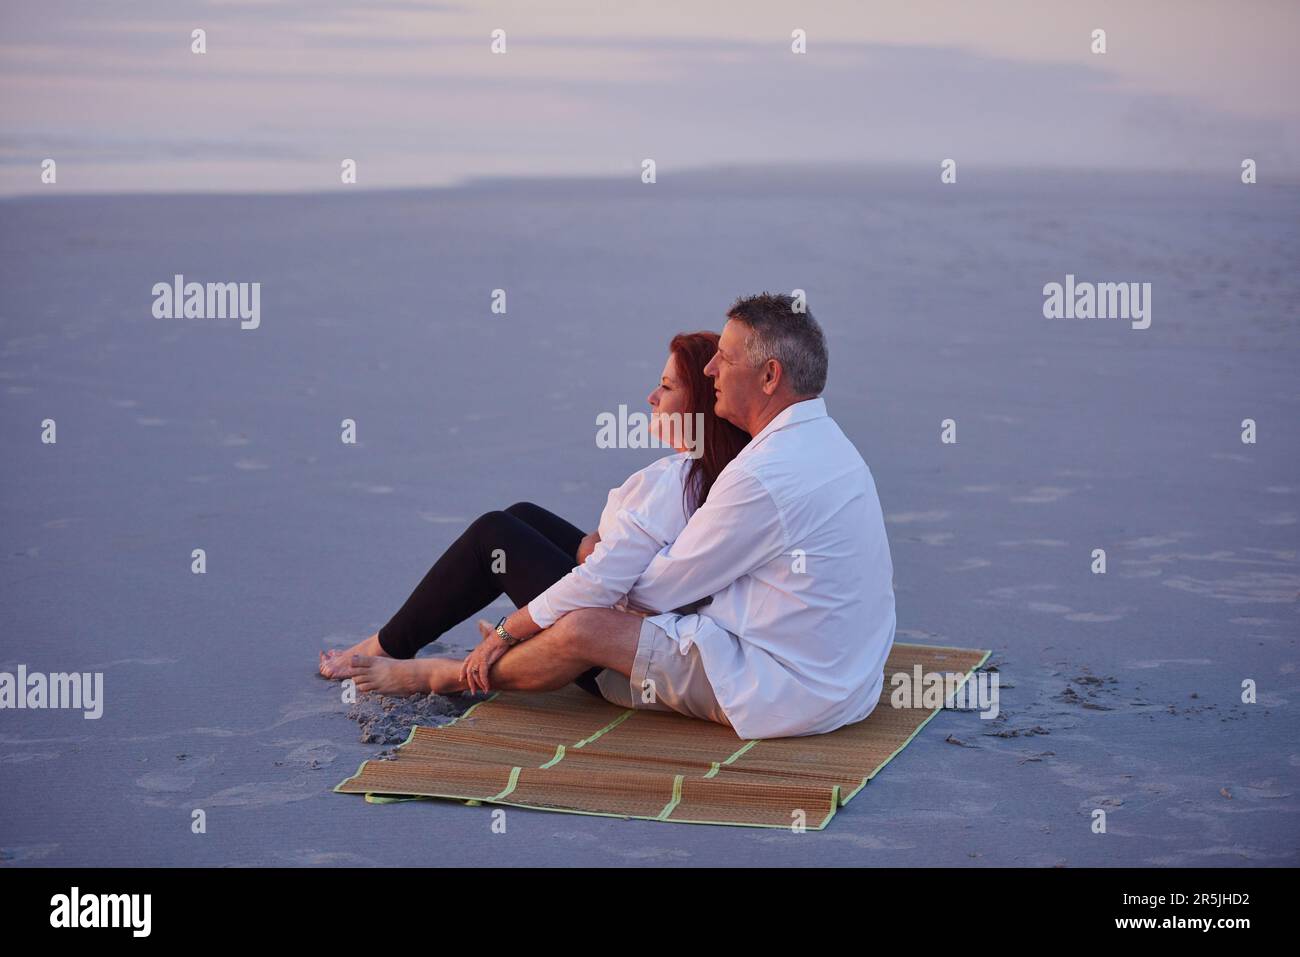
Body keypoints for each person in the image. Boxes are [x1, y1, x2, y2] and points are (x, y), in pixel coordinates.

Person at [349, 292, 897, 741]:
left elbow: (654, 594)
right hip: (843, 675)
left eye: (723, 359)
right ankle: (405, 641)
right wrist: (598, 557)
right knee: (526, 526)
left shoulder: (763, 477)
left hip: (785, 689)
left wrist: (524, 618)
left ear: (770, 375)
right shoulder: (827, 444)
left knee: (584, 619)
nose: (711, 371)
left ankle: (439, 674)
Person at [319, 331, 749, 704]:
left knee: (495, 534)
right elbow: (624, 557)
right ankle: (397, 641)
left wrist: (510, 631)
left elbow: (600, 584)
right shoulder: (719, 471)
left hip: (605, 657)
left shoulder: (676, 482)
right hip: (639, 620)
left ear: (698, 405)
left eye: (667, 387)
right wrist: (598, 543)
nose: (651, 397)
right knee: (524, 516)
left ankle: (386, 647)